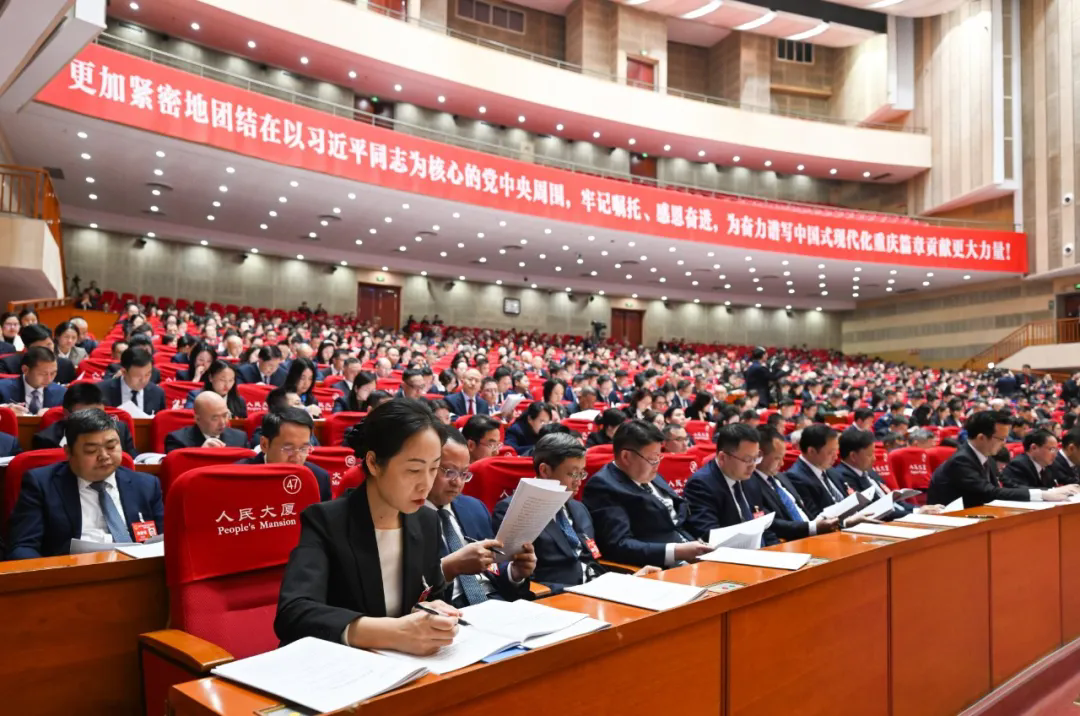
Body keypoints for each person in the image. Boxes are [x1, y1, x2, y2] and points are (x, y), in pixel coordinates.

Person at [274, 399, 463, 651]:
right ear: (373, 463)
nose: (425, 484)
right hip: (341, 662)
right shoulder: (326, 521)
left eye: (434, 469)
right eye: (414, 470)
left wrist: (430, 611)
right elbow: (294, 613)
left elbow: (431, 593)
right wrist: (392, 632)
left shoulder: (427, 520)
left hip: (405, 661)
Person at [492, 433, 659, 592]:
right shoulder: (516, 510)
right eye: (573, 474)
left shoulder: (579, 508)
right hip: (559, 597)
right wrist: (588, 590)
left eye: (582, 473)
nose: (578, 482)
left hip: (598, 590)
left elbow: (591, 561)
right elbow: (522, 578)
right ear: (545, 470)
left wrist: (626, 580)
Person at [7, 409, 164, 559]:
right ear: (69, 452)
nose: (104, 456)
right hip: (70, 571)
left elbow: (164, 540)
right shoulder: (42, 485)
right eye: (91, 450)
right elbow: (22, 547)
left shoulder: (147, 485)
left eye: (111, 446)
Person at [425, 428, 535, 609]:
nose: (457, 482)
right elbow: (407, 590)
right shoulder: (404, 517)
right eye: (449, 472)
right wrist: (450, 567)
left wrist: (514, 573)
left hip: (495, 603)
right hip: (446, 609)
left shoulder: (475, 508)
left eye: (464, 474)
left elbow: (493, 567)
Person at [582, 420, 711, 566]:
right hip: (657, 564)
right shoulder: (603, 486)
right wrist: (676, 551)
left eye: (659, 457)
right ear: (626, 456)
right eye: (652, 458)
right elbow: (618, 545)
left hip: (691, 548)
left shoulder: (647, 472)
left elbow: (677, 517)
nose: (657, 464)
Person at [926, 411, 1080, 508]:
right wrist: (1042, 494)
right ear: (981, 437)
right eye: (1001, 439)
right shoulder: (962, 460)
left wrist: (1046, 492)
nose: (1004, 444)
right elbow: (990, 492)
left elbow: (998, 491)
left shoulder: (987, 457)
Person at [744, 426, 836, 543]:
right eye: (777, 458)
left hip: (814, 536)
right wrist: (812, 527)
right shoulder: (750, 484)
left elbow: (802, 509)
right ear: (759, 456)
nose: (782, 463)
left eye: (783, 457)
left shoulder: (781, 477)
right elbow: (770, 523)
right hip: (793, 541)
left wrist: (818, 524)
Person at [828, 429, 943, 518]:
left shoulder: (870, 472)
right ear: (853, 456)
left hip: (900, 516)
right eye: (870, 455)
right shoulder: (843, 477)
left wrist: (919, 509)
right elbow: (873, 511)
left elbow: (894, 502)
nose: (874, 459)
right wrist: (915, 513)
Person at [683, 423, 767, 540]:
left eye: (756, 458)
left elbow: (762, 524)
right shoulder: (700, 485)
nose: (753, 465)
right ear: (723, 457)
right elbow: (710, 535)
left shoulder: (750, 478)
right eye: (747, 459)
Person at [237, 408, 332, 501]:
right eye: (288, 448)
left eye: (303, 449)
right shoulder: (239, 478)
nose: (296, 458)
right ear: (264, 445)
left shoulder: (318, 478)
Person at [32, 382, 137, 457]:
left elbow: (134, 461)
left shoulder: (120, 430)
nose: (93, 420)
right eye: (85, 416)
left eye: (98, 414)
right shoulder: (45, 440)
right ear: (66, 414)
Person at [783, 424, 853, 519]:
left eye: (836, 451)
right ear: (811, 451)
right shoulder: (795, 478)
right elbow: (816, 518)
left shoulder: (830, 469)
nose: (836, 457)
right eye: (830, 452)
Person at [164, 392, 248, 452]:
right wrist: (201, 453)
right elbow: (177, 469)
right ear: (198, 419)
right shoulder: (177, 441)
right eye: (215, 418)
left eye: (225, 415)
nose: (223, 422)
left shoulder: (240, 438)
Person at [98, 348, 166, 415]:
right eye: (138, 376)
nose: (143, 380)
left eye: (147, 374)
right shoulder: (101, 391)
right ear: (124, 372)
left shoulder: (157, 393)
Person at [0, 324, 76, 384]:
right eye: (40, 347)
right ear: (27, 349)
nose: (47, 350)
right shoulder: (7, 365)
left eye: (49, 344)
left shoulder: (66, 365)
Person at [0, 346, 65, 415]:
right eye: (43, 374)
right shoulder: (2, 389)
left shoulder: (61, 394)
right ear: (25, 370)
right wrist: (4, 411)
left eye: (53, 373)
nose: (49, 379)